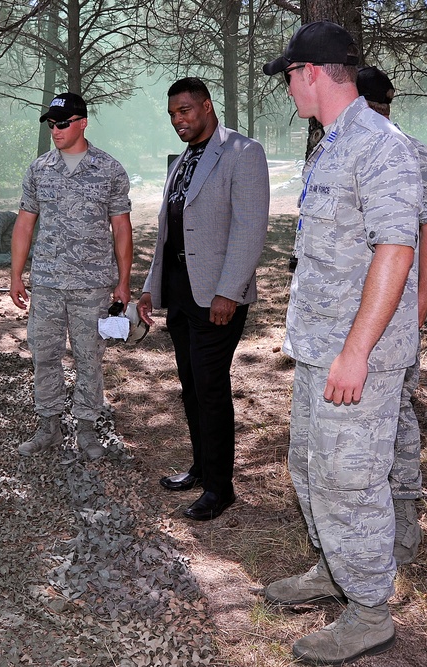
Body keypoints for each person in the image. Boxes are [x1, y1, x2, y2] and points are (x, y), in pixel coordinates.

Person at [261, 21, 423, 665]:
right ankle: (334, 569)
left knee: (349, 480)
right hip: (320, 346)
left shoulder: (380, 146)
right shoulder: (330, 144)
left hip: (359, 352)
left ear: (311, 73)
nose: (289, 89)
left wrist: (356, 350)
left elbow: (397, 249)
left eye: (290, 77)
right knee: (309, 469)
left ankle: (369, 612)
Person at [136, 78, 270, 522]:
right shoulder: (183, 159)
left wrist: (229, 291)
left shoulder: (243, 153)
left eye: (186, 110)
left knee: (211, 390)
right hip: (180, 292)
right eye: (173, 113)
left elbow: (250, 230)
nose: (179, 120)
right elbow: (170, 227)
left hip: (217, 296)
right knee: (191, 386)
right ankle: (200, 467)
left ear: (208, 107)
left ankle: (220, 488)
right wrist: (151, 289)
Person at [358, 65, 427, 567]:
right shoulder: (337, 145)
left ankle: (404, 514)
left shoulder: (410, 153)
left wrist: (415, 314)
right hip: (347, 313)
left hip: (394, 310)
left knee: (397, 411)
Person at [9, 92, 133, 461]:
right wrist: (16, 275)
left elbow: (122, 229)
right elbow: (24, 224)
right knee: (44, 356)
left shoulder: (109, 170)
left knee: (88, 359)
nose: (55, 130)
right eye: (51, 124)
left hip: (92, 286)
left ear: (82, 122)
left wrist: (123, 282)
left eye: (62, 123)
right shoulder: (39, 169)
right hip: (47, 284)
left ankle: (87, 429)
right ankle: (48, 426)